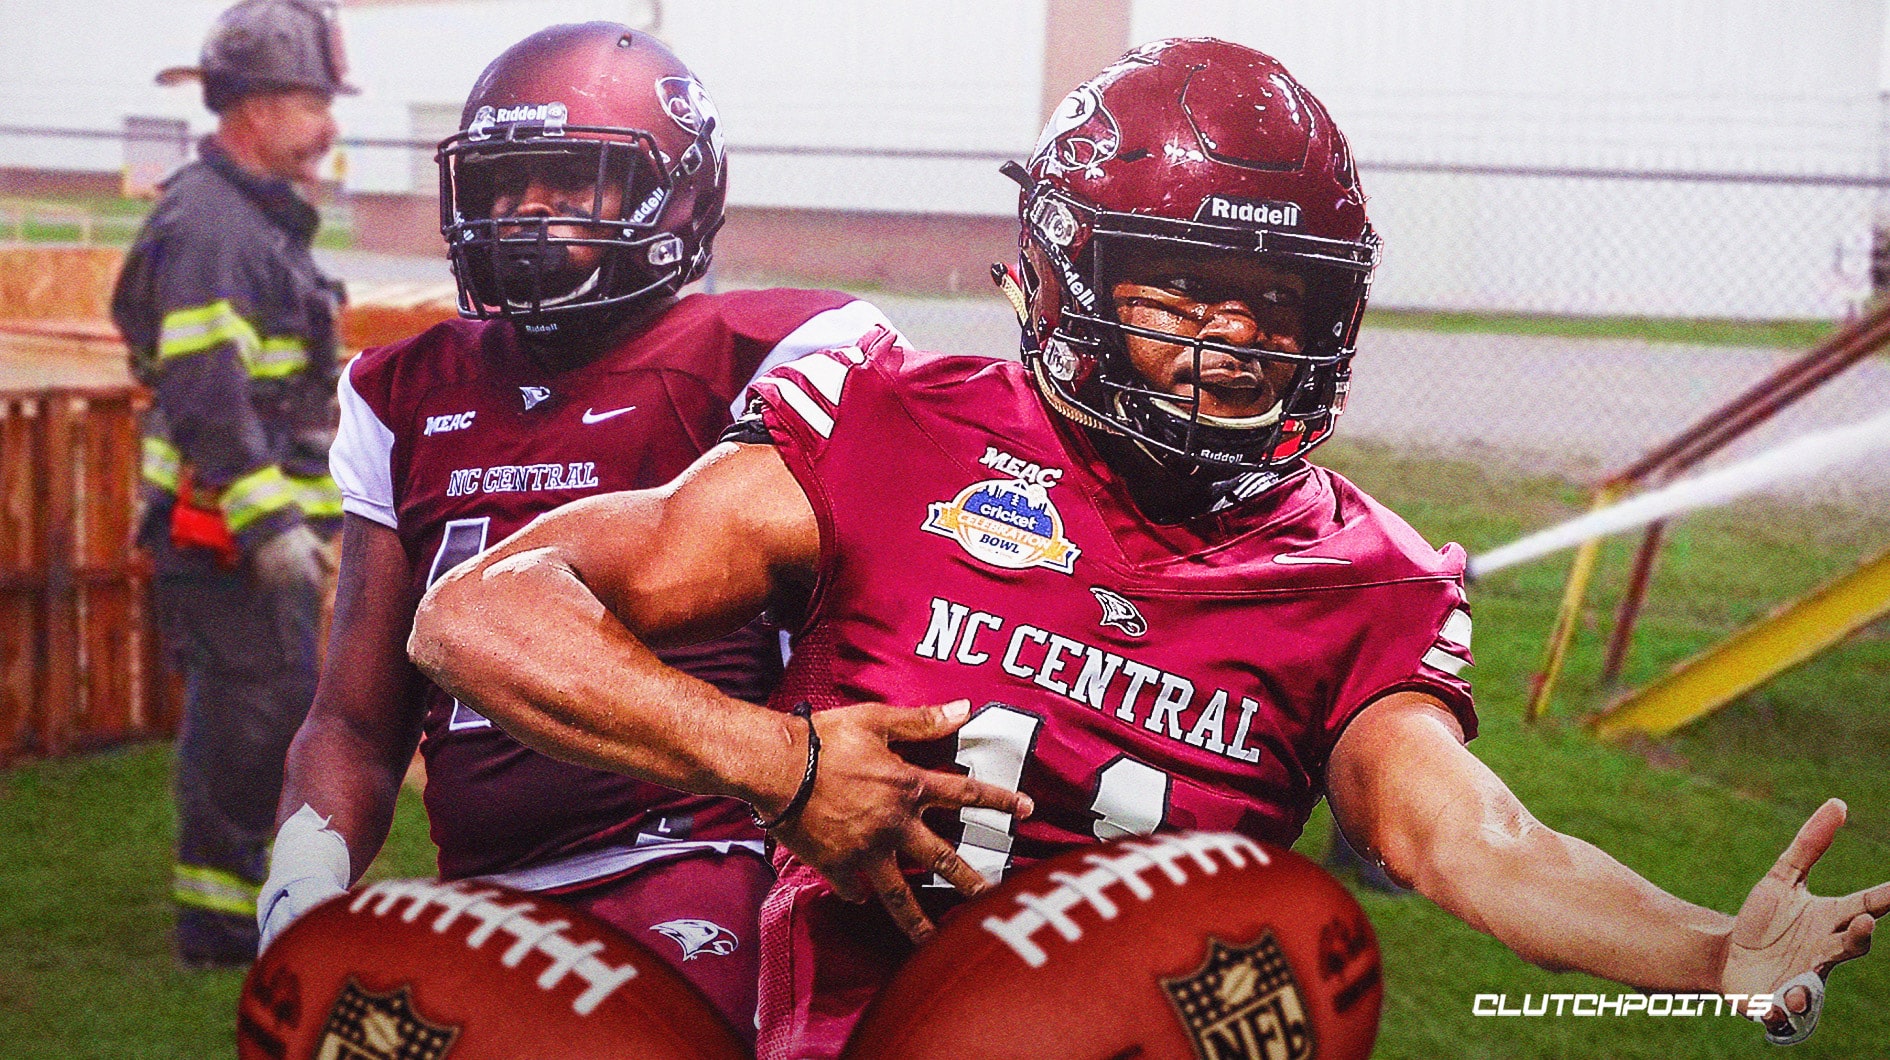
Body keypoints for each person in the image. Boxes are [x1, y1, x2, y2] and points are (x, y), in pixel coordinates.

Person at [407, 38, 1887, 1058]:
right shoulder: (885, 429)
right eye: (1182, 287)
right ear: (1059, 275)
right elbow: (479, 614)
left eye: (1276, 298)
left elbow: (1468, 836)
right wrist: (776, 764)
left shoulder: (1359, 572)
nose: (1238, 338)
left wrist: (1706, 951)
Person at [256, 23, 902, 1039]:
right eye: (504, 185)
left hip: (700, 855)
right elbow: (354, 720)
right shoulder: (404, 389)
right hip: (484, 892)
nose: (524, 213)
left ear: (684, 192)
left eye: (570, 179)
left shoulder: (777, 351)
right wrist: (302, 877)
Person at [111, 0, 352, 969]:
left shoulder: (250, 218)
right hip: (226, 531)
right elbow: (210, 391)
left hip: (250, 523)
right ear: (250, 106)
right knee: (253, 705)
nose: (330, 124)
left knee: (272, 700)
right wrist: (272, 531)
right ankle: (218, 920)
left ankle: (239, 894)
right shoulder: (214, 224)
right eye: (311, 99)